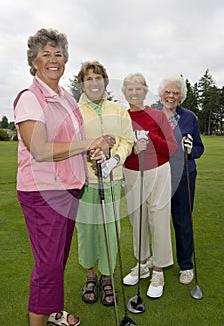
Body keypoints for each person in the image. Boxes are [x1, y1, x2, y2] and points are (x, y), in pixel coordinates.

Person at [13, 29, 115, 326]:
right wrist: (88, 144)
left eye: (58, 54)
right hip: (43, 193)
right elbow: (41, 150)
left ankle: (53, 311)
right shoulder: (30, 98)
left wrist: (90, 155)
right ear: (34, 61)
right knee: (48, 266)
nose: (53, 59)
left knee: (56, 262)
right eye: (45, 54)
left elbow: (71, 144)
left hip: (69, 190)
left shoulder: (67, 98)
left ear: (66, 59)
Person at [75, 60, 133, 306]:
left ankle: (107, 277)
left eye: (98, 78)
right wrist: (91, 153)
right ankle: (90, 276)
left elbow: (127, 140)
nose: (94, 82)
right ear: (82, 83)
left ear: (105, 81)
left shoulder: (119, 110)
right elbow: (71, 143)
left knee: (110, 229)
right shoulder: (75, 111)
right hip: (85, 181)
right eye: (89, 78)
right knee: (87, 230)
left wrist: (114, 158)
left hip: (112, 180)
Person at [121, 73, 177, 299]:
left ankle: (158, 270)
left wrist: (152, 139)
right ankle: (142, 263)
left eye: (138, 89)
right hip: (132, 172)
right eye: (129, 89)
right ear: (124, 93)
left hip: (159, 172)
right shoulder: (122, 118)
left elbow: (172, 149)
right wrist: (131, 150)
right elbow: (119, 150)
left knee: (159, 219)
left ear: (145, 91)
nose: (134, 93)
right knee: (138, 220)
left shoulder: (158, 116)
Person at [158, 76, 204, 284]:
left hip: (184, 175)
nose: (171, 96)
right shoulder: (154, 117)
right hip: (159, 175)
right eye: (168, 92)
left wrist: (190, 150)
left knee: (183, 220)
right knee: (157, 221)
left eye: (176, 92)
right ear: (161, 94)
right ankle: (158, 261)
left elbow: (199, 149)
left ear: (181, 96)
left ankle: (186, 265)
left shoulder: (190, 118)